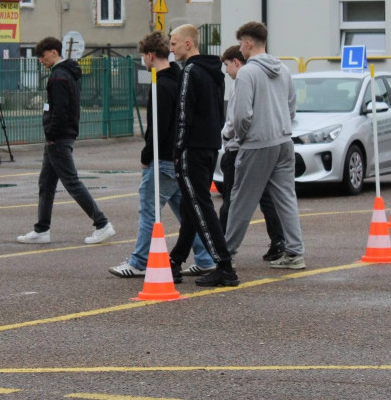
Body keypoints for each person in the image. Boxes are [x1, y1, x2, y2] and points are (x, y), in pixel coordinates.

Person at [108, 32, 216, 279]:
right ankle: (205, 258)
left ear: (149, 55)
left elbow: (158, 127)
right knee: (186, 213)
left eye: (143, 56)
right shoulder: (180, 79)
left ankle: (139, 261)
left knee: (148, 211)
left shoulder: (160, 85)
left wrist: (146, 156)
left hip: (163, 159)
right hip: (179, 158)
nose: (143, 60)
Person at [17, 36, 115, 245]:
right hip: (60, 136)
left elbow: (59, 111)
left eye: (42, 57)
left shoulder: (58, 77)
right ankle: (42, 229)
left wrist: (52, 136)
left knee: (71, 182)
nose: (41, 61)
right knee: (46, 183)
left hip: (58, 138)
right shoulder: (66, 74)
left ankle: (102, 224)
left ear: (54, 52)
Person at [224, 21, 306, 270]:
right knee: (286, 198)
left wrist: (241, 137)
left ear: (248, 43)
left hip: (257, 144)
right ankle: (295, 253)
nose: (240, 49)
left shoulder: (248, 73)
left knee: (241, 199)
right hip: (284, 141)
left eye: (241, 44)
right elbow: (291, 106)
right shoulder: (283, 69)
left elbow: (241, 115)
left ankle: (225, 252)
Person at [167, 24, 238, 287]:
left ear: (188, 44)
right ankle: (175, 260)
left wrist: (177, 149)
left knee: (199, 205)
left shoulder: (190, 72)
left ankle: (224, 266)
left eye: (174, 43)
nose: (170, 48)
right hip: (209, 146)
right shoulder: (215, 73)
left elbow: (183, 113)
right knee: (190, 206)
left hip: (192, 148)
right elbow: (219, 112)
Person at [219, 45, 286, 262]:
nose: (226, 71)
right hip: (268, 145)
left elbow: (238, 118)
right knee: (268, 199)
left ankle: (222, 248)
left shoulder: (242, 80)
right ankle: (279, 242)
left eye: (227, 65)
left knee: (233, 199)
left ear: (236, 62)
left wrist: (232, 137)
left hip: (242, 148)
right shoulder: (272, 75)